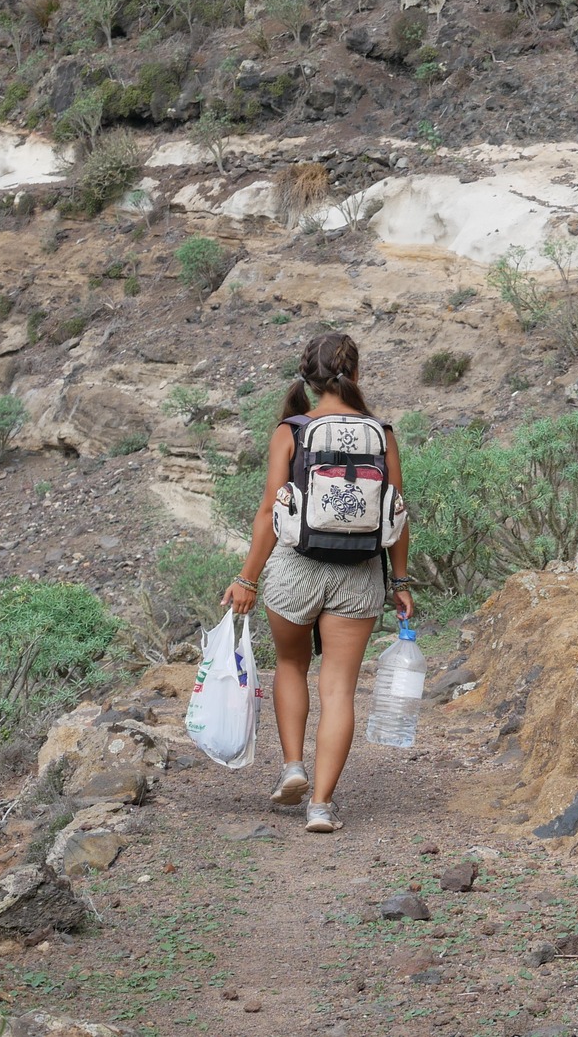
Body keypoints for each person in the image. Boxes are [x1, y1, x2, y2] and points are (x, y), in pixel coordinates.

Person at [221, 333, 413, 833]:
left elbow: (269, 512)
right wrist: (402, 582)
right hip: (359, 575)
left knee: (289, 663)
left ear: (306, 375)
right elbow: (397, 513)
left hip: (294, 570)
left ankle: (293, 768)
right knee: (340, 690)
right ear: (356, 373)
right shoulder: (380, 433)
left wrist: (247, 578)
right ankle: (322, 806)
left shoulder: (293, 430)